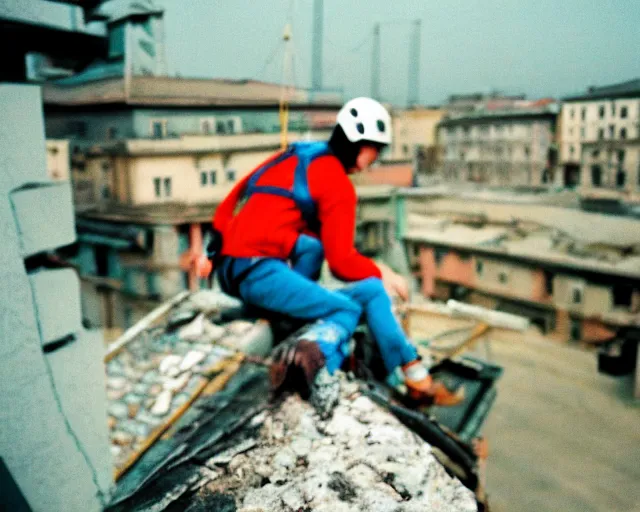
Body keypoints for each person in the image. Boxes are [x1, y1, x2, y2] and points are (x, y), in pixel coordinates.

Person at [200, 97, 462, 406]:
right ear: (362, 148)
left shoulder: (300, 153)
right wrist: (383, 271)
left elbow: (239, 190)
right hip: (254, 269)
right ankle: (309, 362)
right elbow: (341, 263)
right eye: (376, 150)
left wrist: (212, 248)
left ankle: (417, 376)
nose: (376, 158)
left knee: (370, 291)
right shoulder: (337, 185)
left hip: (231, 262)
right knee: (346, 309)